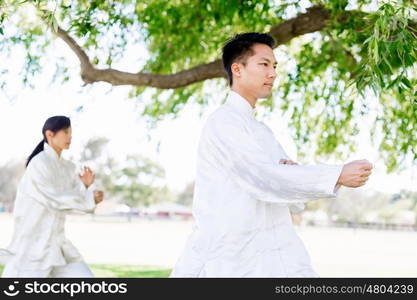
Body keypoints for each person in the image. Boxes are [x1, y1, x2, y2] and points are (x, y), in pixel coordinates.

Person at [170, 32, 373, 277]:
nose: (273, 73)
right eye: (264, 64)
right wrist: (336, 174)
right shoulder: (223, 123)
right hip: (231, 257)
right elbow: (264, 178)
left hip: (273, 253)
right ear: (238, 69)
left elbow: (284, 189)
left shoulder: (262, 131)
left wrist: (291, 173)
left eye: (274, 66)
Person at [0, 116, 104, 277]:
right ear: (50, 134)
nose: (70, 137)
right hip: (33, 248)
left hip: (58, 245)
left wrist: (85, 186)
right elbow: (54, 198)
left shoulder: (67, 167)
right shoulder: (38, 164)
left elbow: (69, 196)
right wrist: (89, 200)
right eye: (65, 132)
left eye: (71, 132)